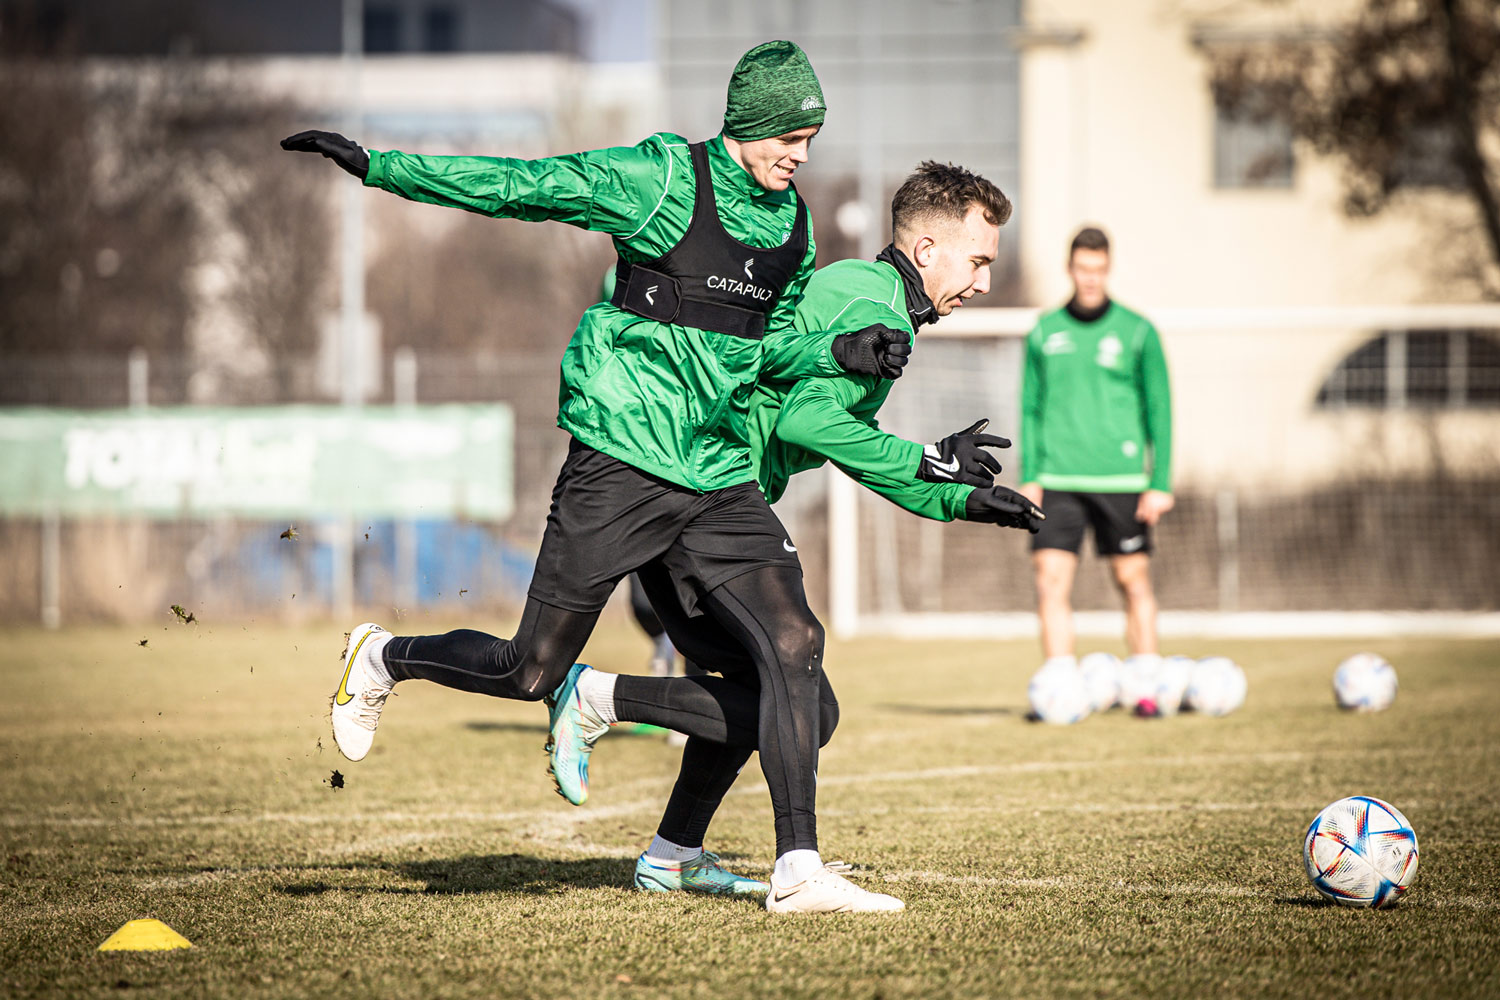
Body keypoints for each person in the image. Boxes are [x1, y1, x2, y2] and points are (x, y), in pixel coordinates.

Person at [285, 41, 910, 914]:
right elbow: (521, 186)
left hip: (717, 472)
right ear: (751, 124)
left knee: (795, 650)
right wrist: (382, 167)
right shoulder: (657, 180)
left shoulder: (794, 228)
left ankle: (798, 868)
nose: (801, 155)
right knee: (529, 671)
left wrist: (837, 349)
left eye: (810, 138)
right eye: (791, 137)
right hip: (619, 459)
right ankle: (386, 656)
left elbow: (763, 348)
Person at [548, 161, 1043, 912]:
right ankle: (605, 705)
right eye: (977, 260)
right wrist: (933, 461)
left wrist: (959, 501)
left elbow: (843, 432)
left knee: (786, 697)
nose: (981, 281)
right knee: (795, 676)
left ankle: (671, 855)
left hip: (708, 497)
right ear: (926, 249)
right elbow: (808, 422)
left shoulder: (874, 300)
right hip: (698, 497)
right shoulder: (868, 301)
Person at [1018, 226, 1173, 669]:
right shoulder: (1044, 331)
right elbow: (1029, 408)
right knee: (1050, 581)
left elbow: (1160, 410)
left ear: (1108, 269)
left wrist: (1159, 481)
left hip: (1121, 478)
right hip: (1056, 479)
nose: (1090, 278)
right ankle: (1059, 683)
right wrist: (1030, 476)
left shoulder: (1138, 331)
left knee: (1133, 579)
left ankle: (1147, 680)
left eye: (1099, 270)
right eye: (1083, 269)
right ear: (1070, 268)